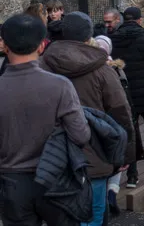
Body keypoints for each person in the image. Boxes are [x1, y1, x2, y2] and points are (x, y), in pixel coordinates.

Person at [40, 12, 135, 226]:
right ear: (88, 37)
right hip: (95, 152)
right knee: (94, 212)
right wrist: (125, 154)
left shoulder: (42, 65)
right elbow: (120, 112)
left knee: (60, 213)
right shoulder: (103, 70)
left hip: (52, 154)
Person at [0, 13, 91, 226]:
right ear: (42, 45)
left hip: (11, 181)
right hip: (56, 179)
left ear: (5, 46)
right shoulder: (60, 86)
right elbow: (81, 135)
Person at [111, 7, 144, 188]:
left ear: (122, 20)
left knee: (131, 133)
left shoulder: (113, 39)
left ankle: (133, 176)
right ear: (139, 20)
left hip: (126, 94)